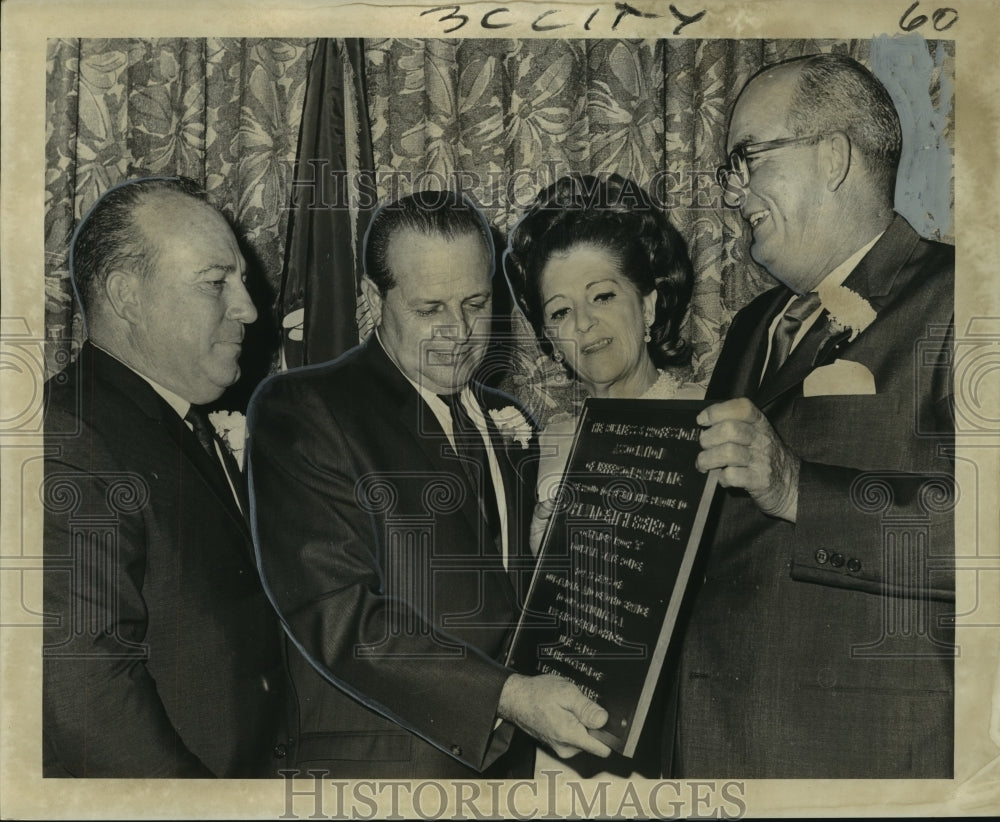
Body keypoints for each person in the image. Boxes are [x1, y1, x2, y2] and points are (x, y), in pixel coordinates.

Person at [247, 189, 612, 778]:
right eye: (429, 309)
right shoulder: (304, 408)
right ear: (373, 299)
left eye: (475, 302)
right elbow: (339, 615)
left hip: (511, 771)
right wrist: (509, 697)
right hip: (382, 775)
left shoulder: (504, 416)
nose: (459, 332)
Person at [672, 54, 955, 778]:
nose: (733, 191)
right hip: (717, 754)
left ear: (833, 156)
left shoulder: (964, 299)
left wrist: (800, 488)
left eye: (749, 158)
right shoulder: (752, 327)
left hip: (864, 760)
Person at [43, 176, 287, 777]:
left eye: (244, 282)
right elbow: (84, 692)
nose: (250, 310)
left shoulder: (170, 421)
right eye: (215, 283)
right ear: (127, 295)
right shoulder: (70, 441)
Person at [503, 173, 701, 777]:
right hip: (563, 735)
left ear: (649, 301)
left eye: (603, 296)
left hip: (680, 731)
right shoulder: (546, 441)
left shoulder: (711, 422)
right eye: (561, 311)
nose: (584, 327)